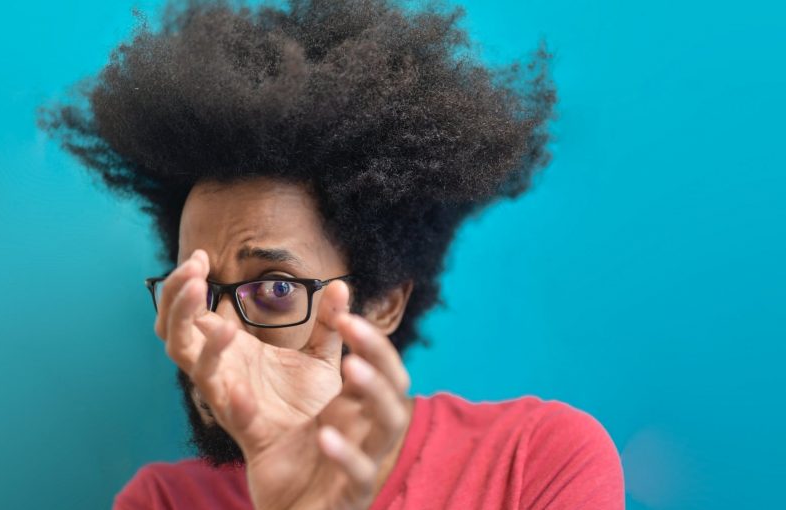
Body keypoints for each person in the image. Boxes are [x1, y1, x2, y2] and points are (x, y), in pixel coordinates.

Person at [39, 1, 624, 508]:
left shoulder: (534, 462)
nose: (211, 331)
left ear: (384, 304)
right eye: (193, 289)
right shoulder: (162, 502)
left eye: (273, 288)